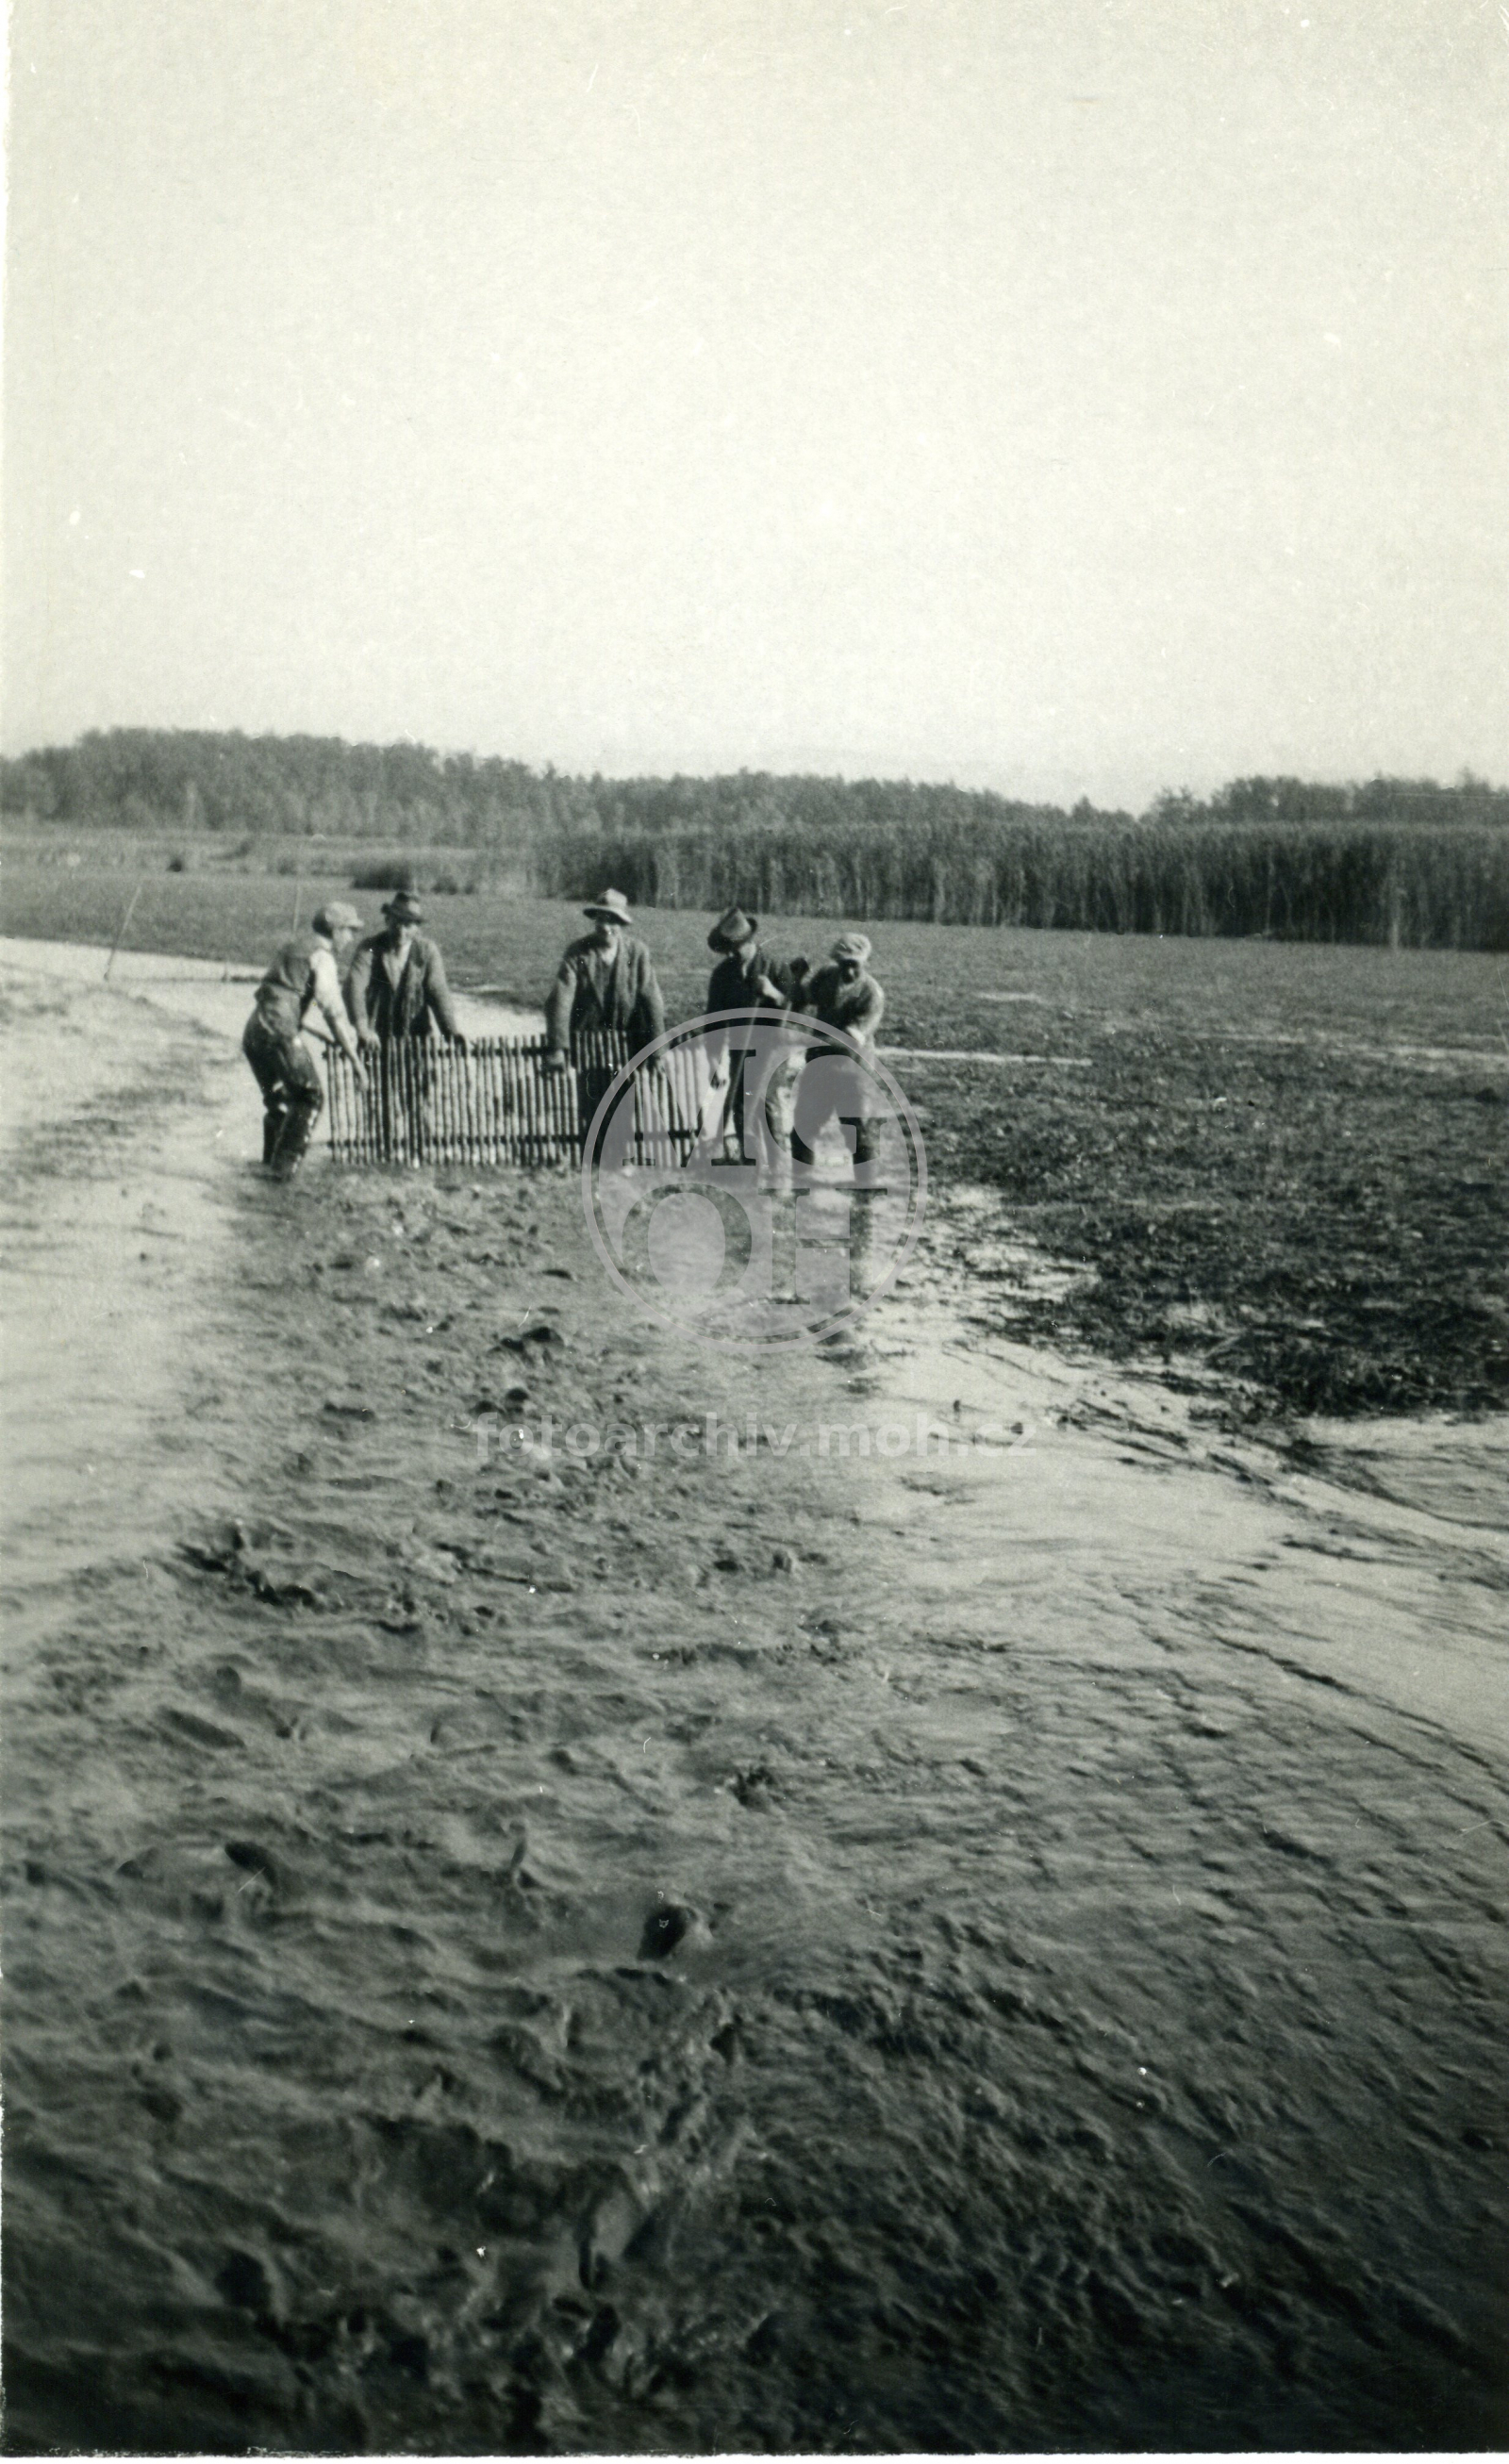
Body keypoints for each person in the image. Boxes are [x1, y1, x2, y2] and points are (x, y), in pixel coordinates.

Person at [242, 902, 368, 1180]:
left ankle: (268, 1172)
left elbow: (282, 999)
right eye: (349, 930)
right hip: (278, 1031)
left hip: (255, 1031)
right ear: (335, 930)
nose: (351, 938)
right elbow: (334, 1013)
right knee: (310, 1097)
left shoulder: (293, 947)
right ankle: (283, 1174)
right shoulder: (322, 957)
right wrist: (356, 1063)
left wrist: (321, 1035)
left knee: (280, 1101)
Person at [702, 906, 805, 1162]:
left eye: (736, 947)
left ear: (750, 942)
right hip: (740, 1047)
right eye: (728, 949)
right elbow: (713, 1021)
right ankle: (751, 1163)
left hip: (772, 1048)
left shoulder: (776, 968)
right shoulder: (723, 974)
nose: (732, 954)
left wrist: (773, 993)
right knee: (740, 1103)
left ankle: (778, 1166)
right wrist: (713, 1059)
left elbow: (797, 1009)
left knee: (765, 1101)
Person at [791, 932, 887, 1176]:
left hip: (853, 1072)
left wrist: (804, 1041)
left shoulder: (871, 994)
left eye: (855, 965)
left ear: (865, 962)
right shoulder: (826, 976)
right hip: (819, 1068)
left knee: (858, 1134)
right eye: (844, 964)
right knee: (803, 1128)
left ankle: (866, 1192)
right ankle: (800, 1185)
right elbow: (801, 1000)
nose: (849, 971)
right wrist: (795, 980)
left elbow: (848, 1041)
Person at [543, 889, 665, 1069]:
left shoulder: (637, 953)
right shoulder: (578, 952)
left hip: (628, 1046)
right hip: (587, 1046)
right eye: (601, 919)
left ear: (622, 923)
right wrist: (558, 1048)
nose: (605, 927)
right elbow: (561, 999)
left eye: (612, 921)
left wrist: (658, 1053)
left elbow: (652, 1001)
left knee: (628, 1087)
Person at [346, 890, 466, 1048]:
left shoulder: (427, 951)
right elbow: (354, 987)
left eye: (408, 925)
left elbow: (438, 992)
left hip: (416, 1039)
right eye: (396, 923)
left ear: (417, 928)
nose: (401, 932)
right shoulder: (369, 948)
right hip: (375, 1040)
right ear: (387, 920)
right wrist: (363, 1030)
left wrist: (451, 1032)